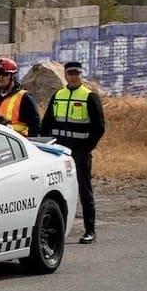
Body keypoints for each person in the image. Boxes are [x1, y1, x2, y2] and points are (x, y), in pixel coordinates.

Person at [42, 60, 106, 244]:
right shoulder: (58, 95)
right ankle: (57, 230)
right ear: (65, 75)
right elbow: (47, 123)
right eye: (70, 73)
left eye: (76, 73)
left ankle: (90, 230)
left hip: (80, 151)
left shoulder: (89, 96)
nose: (73, 76)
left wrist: (86, 148)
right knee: (57, 189)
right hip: (59, 151)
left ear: (81, 74)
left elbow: (99, 127)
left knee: (84, 190)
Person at [0, 57, 41, 137]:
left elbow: (35, 125)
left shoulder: (24, 98)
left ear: (13, 76)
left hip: (15, 144)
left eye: (4, 74)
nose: (0, 77)